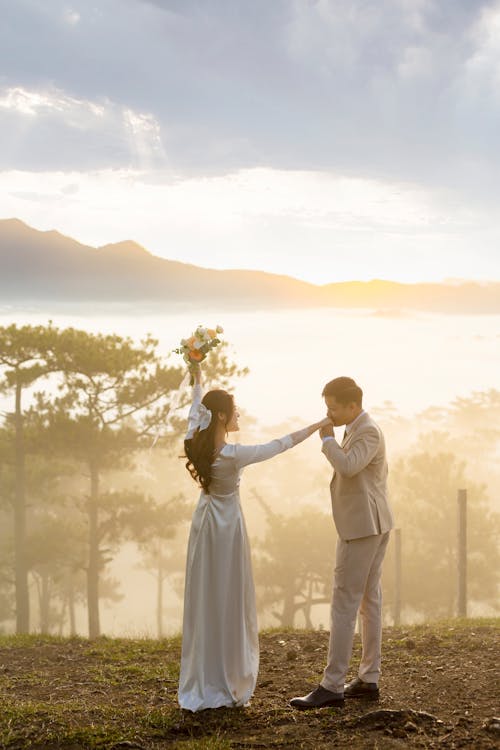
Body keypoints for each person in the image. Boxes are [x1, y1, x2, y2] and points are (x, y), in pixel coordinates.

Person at [178, 367, 331, 712]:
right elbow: (278, 446)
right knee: (228, 596)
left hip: (204, 524)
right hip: (227, 527)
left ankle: (205, 674)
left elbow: (194, 409)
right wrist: (317, 426)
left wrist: (196, 374)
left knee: (207, 596)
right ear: (220, 415)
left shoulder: (195, 442)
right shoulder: (232, 455)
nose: (239, 414)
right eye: (234, 410)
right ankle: (226, 676)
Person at [291, 376, 394, 710]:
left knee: (344, 603)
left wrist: (326, 440)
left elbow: (349, 467)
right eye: (326, 407)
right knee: (368, 601)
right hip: (372, 524)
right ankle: (368, 679)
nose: (329, 413)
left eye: (333, 407)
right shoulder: (357, 426)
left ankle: (332, 685)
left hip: (362, 528)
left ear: (353, 405)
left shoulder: (367, 430)